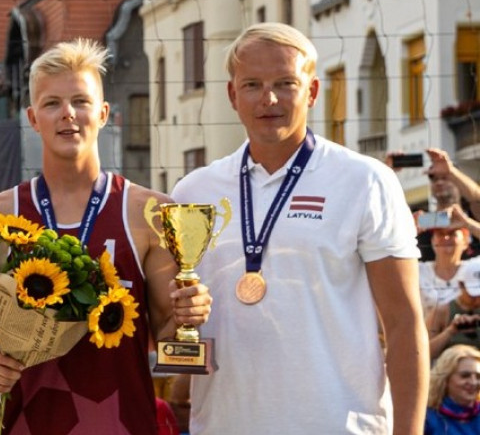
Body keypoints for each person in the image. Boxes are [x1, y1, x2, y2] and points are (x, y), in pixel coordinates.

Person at [171, 22, 428, 434]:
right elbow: (174, 320)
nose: (268, 98)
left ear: (311, 91)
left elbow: (403, 322)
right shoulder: (193, 192)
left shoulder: (365, 181)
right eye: (252, 84)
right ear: (232, 95)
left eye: (285, 83)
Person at [0, 38, 211, 434]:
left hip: (123, 421)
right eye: (52, 103)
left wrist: (188, 313)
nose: (68, 115)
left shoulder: (150, 214)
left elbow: (164, 336)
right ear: (32, 117)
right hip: (27, 422)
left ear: (104, 113)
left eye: (81, 101)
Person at [419, 227, 480, 318]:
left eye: (452, 234)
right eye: (440, 234)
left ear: (465, 241)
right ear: (432, 241)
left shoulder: (474, 267)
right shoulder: (418, 270)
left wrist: (465, 222)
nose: (446, 238)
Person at [424, 344, 480, 434]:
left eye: (478, 377)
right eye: (465, 376)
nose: (473, 382)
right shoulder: (427, 418)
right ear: (445, 379)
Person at [427, 277, 480, 360]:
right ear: (461, 285)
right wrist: (450, 331)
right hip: (449, 368)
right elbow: (425, 353)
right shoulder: (441, 311)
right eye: (473, 296)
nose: (477, 300)